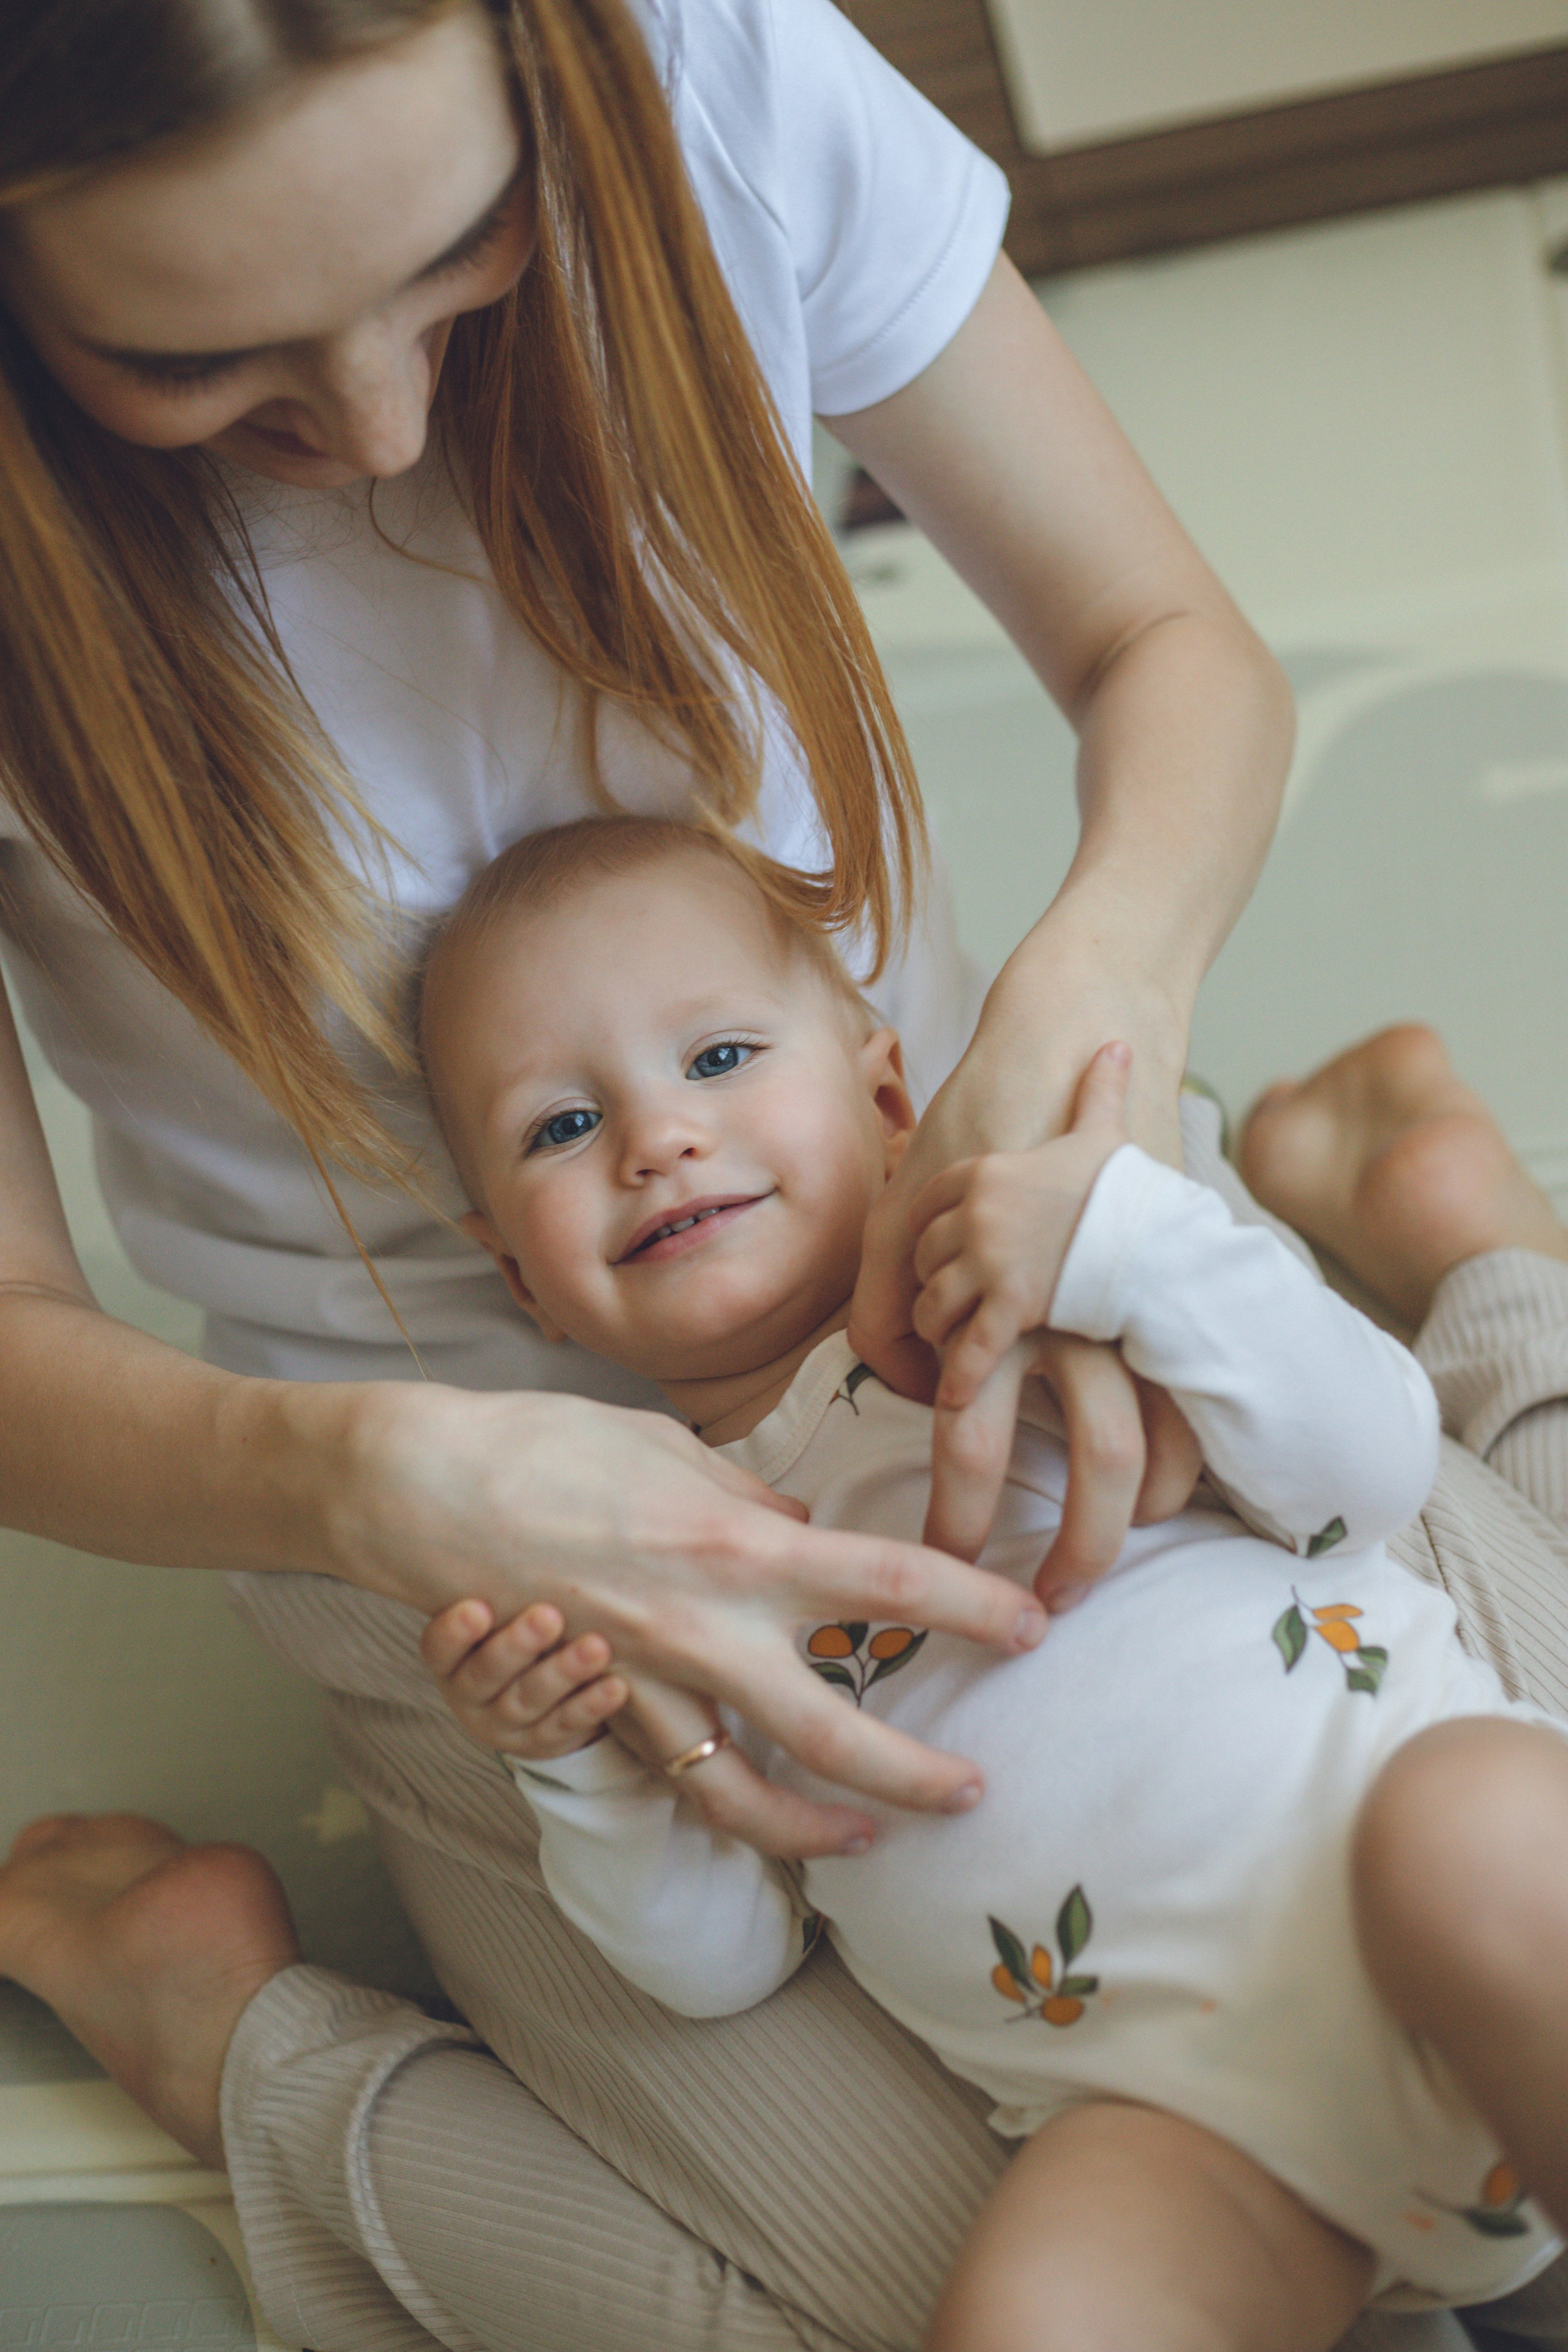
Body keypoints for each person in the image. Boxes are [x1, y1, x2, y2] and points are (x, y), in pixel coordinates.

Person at [0, 0, 1547, 2344]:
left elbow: (1174, 653)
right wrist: (470, 1588)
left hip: (1037, 1214)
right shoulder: (560, 1616)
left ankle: (1464, 1237)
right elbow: (707, 1938)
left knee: (1505, 1822)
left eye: (468, 252)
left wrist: (1099, 1105)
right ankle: (206, 2009)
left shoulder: (711, 63)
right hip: (384, 1512)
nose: (391, 429)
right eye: (210, 367)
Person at [413, 815, 1568, 2350]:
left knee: (1474, 1833)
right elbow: (718, 1963)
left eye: (716, 1060)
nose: (654, 1139)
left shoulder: (1032, 1289)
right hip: (1184, 2126)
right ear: (517, 1277)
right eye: (560, 1128)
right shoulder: (638, 1559)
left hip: (1423, 1865)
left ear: (887, 1094)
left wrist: (1126, 1243)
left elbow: (1367, 1471)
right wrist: (578, 1761)